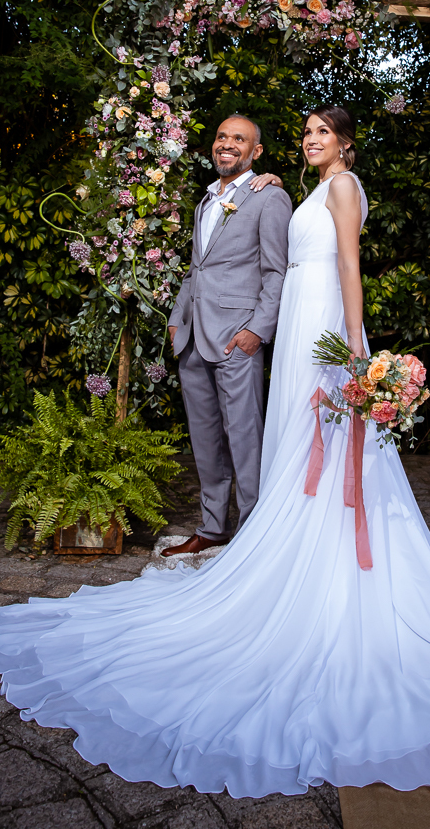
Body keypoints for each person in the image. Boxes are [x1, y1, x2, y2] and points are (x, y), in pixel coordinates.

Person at [0, 105, 430, 798]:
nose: (311, 140)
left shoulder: (341, 187)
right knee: (296, 443)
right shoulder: (305, 186)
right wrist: (273, 182)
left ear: (344, 143)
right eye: (306, 133)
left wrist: (354, 346)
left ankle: (323, 554)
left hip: (326, 329)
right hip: (303, 327)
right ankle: (293, 536)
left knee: (330, 441)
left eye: (322, 134)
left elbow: (348, 261)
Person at [163, 114, 292, 556]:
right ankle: (213, 526)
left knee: (243, 436)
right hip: (193, 338)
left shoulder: (269, 198)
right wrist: (178, 317)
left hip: (237, 338)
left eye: (239, 139)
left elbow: (277, 272)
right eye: (222, 136)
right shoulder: (205, 199)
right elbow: (197, 267)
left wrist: (257, 330)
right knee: (204, 438)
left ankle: (254, 533)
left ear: (255, 152)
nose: (227, 144)